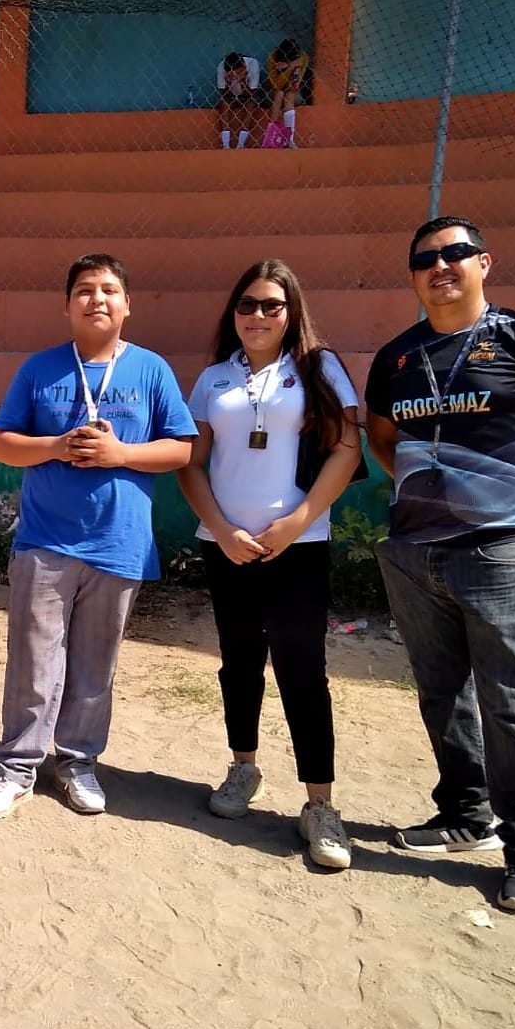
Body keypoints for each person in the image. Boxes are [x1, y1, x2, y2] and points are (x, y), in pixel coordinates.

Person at [365, 216, 515, 912]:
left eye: (455, 254)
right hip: (415, 549)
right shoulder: (397, 356)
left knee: (509, 700)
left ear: (484, 263)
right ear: (413, 275)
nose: (440, 266)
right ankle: (465, 814)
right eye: (425, 259)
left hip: (497, 549)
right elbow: (383, 438)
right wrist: (426, 496)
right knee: (440, 691)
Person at [0, 254, 195, 819]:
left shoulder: (151, 370)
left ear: (127, 304)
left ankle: (76, 763)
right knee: (32, 659)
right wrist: (55, 446)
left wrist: (120, 454)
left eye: (109, 290)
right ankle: (16, 766)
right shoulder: (40, 369)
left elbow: (184, 449)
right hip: (46, 542)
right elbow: (0, 445)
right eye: (84, 290)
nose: (97, 299)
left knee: (96, 664)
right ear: (67, 304)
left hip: (119, 542)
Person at [176, 260, 362, 870]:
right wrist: (223, 530)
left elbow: (345, 448)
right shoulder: (212, 379)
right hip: (226, 545)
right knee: (239, 662)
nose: (258, 315)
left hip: (298, 546)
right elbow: (192, 463)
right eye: (248, 304)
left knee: (303, 669)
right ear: (234, 312)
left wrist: (298, 521)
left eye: (272, 306)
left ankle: (320, 804)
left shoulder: (318, 367)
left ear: (292, 312)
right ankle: (243, 767)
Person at [265, 38, 309, 146]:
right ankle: (272, 134)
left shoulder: (302, 58)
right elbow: (276, 85)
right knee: (279, 93)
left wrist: (289, 67)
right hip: (274, 92)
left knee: (289, 95)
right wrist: (290, 68)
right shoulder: (273, 57)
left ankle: (290, 139)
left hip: (294, 92)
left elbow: (295, 85)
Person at [216, 51, 263, 149]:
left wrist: (243, 82)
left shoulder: (253, 64)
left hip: (248, 96)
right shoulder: (222, 67)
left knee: (251, 105)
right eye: (229, 71)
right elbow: (223, 92)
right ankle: (226, 144)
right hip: (231, 96)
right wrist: (228, 84)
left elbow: (252, 92)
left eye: (235, 70)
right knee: (223, 104)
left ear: (242, 67)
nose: (232, 73)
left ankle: (241, 144)